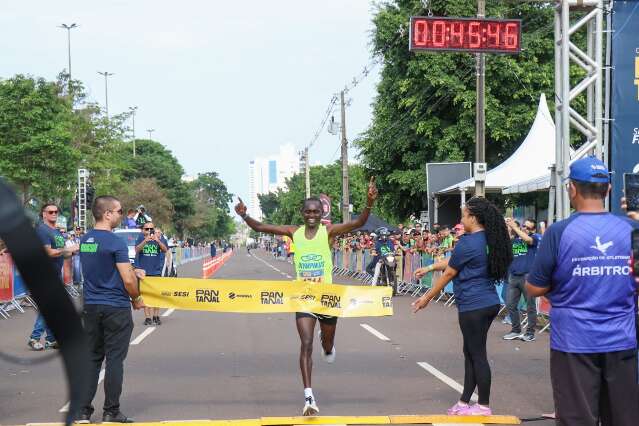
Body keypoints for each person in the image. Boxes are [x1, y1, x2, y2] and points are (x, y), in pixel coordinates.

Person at [234, 177, 378, 416]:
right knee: (306, 344)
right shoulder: (294, 232)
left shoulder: (329, 231)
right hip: (304, 297)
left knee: (328, 348)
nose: (312, 214)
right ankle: (309, 398)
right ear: (302, 213)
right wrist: (244, 215)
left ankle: (328, 344)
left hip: (328, 297)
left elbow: (359, 222)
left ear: (322, 213)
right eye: (308, 211)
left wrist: (369, 203)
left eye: (316, 211)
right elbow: (261, 228)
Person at [525, 157, 639, 425]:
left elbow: (534, 287)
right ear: (608, 190)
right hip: (621, 340)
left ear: (572, 190)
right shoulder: (632, 229)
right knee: (625, 418)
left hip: (574, 343)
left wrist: (562, 285)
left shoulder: (559, 232)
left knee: (577, 419)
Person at [412, 197, 512, 416]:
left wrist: (426, 298)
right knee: (470, 352)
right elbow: (453, 262)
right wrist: (429, 268)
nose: (461, 218)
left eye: (464, 215)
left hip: (473, 305)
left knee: (477, 354)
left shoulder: (468, 242)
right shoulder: (489, 239)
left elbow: (450, 272)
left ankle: (483, 405)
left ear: (473, 218)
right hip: (488, 302)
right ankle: (465, 402)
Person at [76, 196, 146, 424]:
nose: (121, 215)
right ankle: (111, 411)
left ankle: (83, 412)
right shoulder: (115, 242)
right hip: (115, 306)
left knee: (93, 358)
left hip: (91, 306)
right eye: (118, 211)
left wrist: (132, 271)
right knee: (115, 360)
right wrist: (136, 297)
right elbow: (126, 278)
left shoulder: (86, 239)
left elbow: (102, 268)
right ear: (107, 214)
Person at [28, 203, 79, 351]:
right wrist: (68, 249)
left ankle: (50, 339)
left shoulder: (56, 232)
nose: (54, 214)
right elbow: (49, 252)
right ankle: (34, 337)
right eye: (50, 212)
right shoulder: (42, 230)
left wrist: (75, 251)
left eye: (56, 211)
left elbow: (63, 253)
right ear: (43, 214)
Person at [503, 218, 541, 342]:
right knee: (510, 304)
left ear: (533, 230)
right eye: (524, 226)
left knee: (530, 307)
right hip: (513, 276)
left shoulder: (535, 238)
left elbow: (528, 239)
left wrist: (515, 228)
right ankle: (515, 330)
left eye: (528, 228)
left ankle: (530, 333)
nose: (525, 228)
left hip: (527, 277)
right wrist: (507, 225)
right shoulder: (515, 239)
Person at [134, 222, 168, 326]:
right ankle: (148, 317)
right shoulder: (140, 238)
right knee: (145, 295)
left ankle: (156, 316)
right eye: (146, 229)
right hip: (144, 272)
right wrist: (145, 240)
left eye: (151, 229)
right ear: (143, 230)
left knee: (156, 295)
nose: (149, 231)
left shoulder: (158, 238)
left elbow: (165, 249)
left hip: (156, 270)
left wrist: (157, 241)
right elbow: (136, 250)